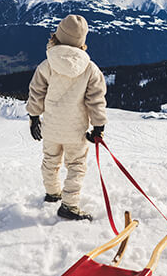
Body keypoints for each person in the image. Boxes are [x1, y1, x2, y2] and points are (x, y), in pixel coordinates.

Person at [26, 14, 107, 221]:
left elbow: (36, 92)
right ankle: (69, 205)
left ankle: (52, 193)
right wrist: (98, 127)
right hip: (77, 130)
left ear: (58, 36)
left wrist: (34, 118)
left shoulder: (47, 64)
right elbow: (96, 99)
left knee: (50, 161)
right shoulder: (90, 69)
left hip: (51, 127)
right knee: (76, 166)